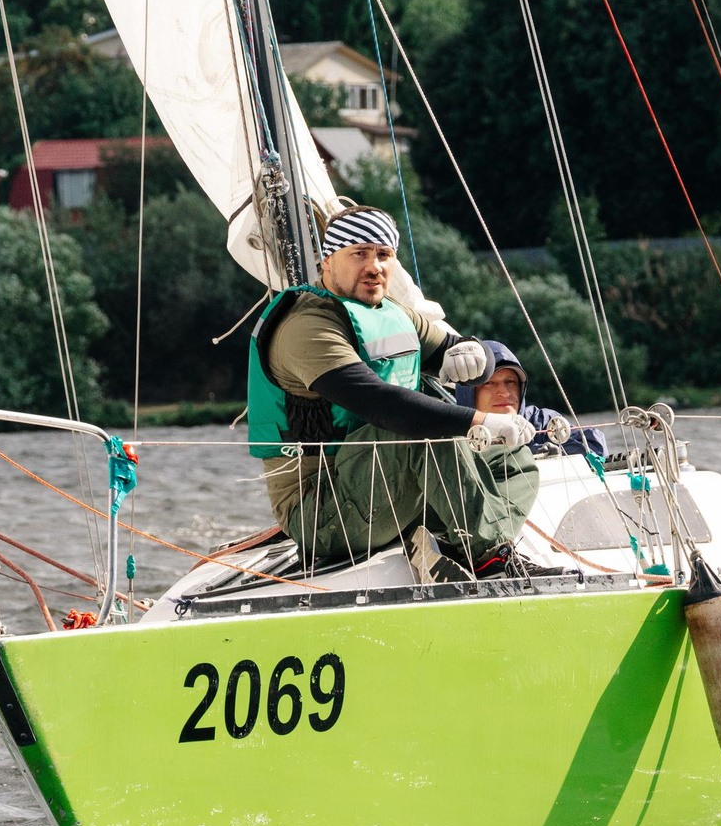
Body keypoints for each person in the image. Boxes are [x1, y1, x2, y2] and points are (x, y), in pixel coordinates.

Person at [245, 204, 556, 581]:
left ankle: (456, 541)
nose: (374, 266)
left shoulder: (392, 312)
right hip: (321, 509)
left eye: (384, 255)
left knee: (513, 457)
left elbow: (457, 350)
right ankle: (488, 558)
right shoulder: (305, 327)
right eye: (358, 254)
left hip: (380, 483)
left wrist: (476, 353)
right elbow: (380, 404)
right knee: (427, 430)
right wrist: (479, 420)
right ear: (327, 262)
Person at [451, 341, 606, 459]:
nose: (504, 393)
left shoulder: (540, 422)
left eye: (510, 382)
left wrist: (534, 453)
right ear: (468, 393)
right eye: (490, 383)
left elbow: (595, 446)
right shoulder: (450, 432)